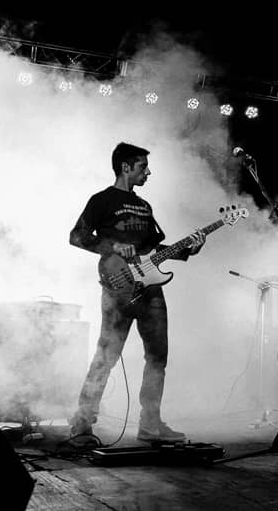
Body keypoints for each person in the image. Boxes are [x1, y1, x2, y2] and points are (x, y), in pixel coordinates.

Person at [67, 142, 205, 445]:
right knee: (107, 354)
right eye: (143, 166)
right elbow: (76, 237)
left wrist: (188, 250)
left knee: (158, 355)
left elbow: (155, 250)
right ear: (126, 166)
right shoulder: (101, 200)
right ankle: (81, 423)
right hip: (118, 285)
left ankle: (150, 424)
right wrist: (113, 246)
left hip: (151, 288)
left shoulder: (144, 206)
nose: (148, 171)